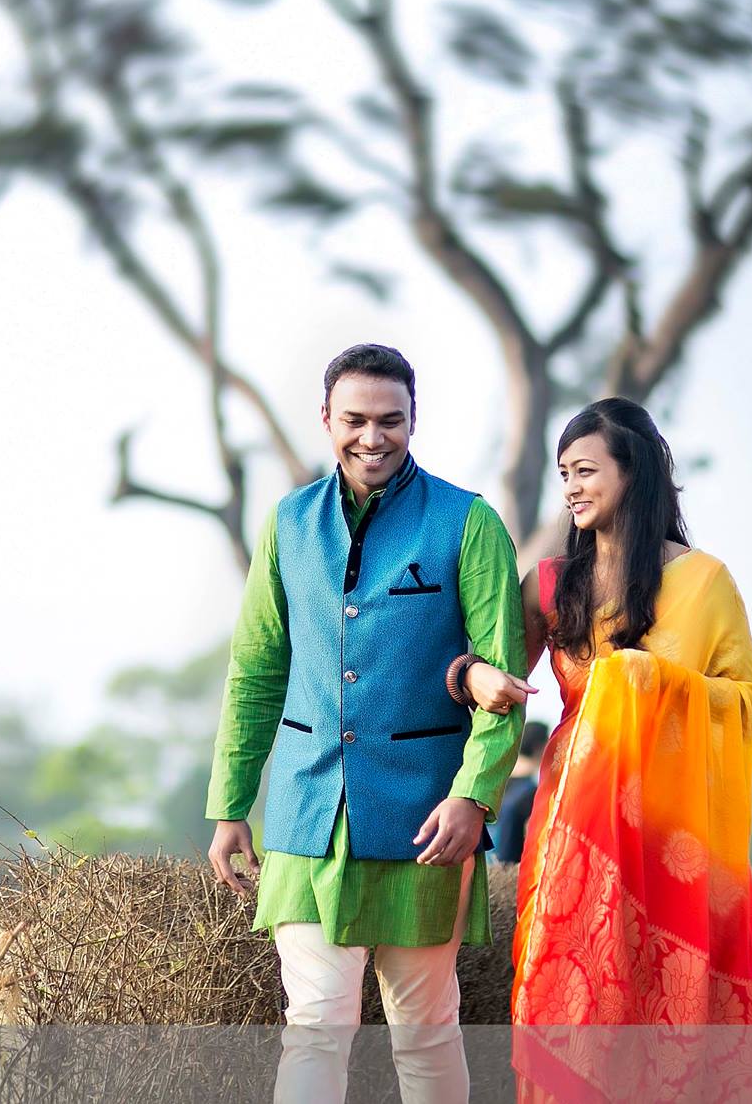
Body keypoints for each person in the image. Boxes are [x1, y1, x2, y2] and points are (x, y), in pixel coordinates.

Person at [205, 343, 528, 1104]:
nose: (372, 437)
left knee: (424, 1029)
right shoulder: (287, 524)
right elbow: (256, 671)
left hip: (427, 824)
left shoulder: (468, 522)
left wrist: (474, 796)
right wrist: (229, 806)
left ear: (414, 420)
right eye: (354, 420)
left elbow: (501, 676)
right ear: (326, 420)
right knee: (314, 1022)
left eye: (391, 420)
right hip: (306, 818)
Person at [460, 398, 752, 1103]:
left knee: (664, 1012)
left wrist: (652, 680)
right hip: (574, 833)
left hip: (674, 841)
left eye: (586, 470)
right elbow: (497, 675)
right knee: (568, 1002)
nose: (573, 486)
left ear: (634, 472)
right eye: (563, 474)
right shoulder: (552, 584)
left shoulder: (705, 583)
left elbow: (744, 699)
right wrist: (472, 673)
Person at [491, 721, 549, 864]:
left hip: (484, 862)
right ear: (538, 747)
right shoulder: (531, 791)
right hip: (508, 868)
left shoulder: (495, 780)